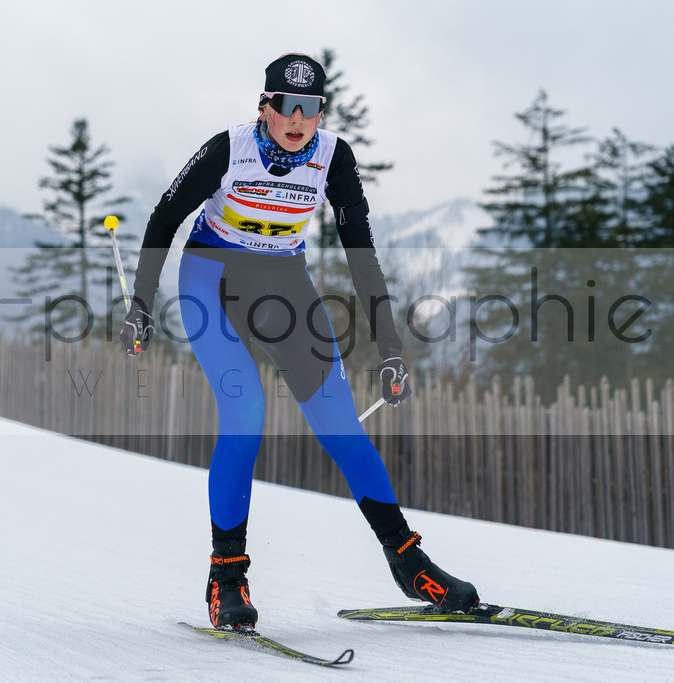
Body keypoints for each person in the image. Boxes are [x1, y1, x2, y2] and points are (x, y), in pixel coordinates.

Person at [119, 53, 478, 630]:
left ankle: (410, 564)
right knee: (246, 413)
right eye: (285, 106)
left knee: (342, 426)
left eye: (309, 108)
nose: (297, 118)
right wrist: (139, 304)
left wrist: (390, 348)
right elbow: (164, 219)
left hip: (282, 280)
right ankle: (226, 576)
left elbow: (362, 254)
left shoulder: (334, 157)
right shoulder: (227, 149)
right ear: (264, 107)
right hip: (210, 277)